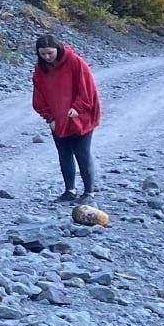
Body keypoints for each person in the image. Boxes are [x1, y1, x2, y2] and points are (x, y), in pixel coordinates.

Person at [30, 31, 101, 203]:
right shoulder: (40, 69)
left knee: (82, 152)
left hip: (80, 116)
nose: (47, 57)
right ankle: (69, 190)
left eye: (50, 53)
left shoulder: (75, 61)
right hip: (58, 118)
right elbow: (39, 95)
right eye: (43, 54)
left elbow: (87, 88)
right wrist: (49, 117)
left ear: (57, 48)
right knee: (64, 154)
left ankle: (89, 192)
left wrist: (78, 107)